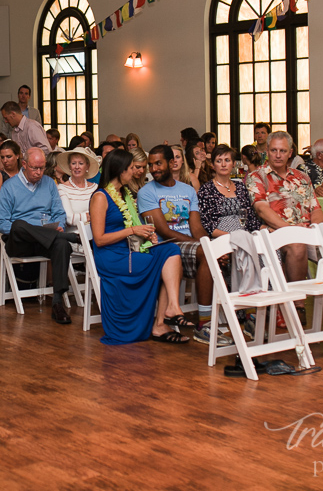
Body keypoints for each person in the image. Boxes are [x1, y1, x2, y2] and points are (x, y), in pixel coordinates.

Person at [90, 149, 188, 344]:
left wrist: (146, 236)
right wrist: (133, 231)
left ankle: (171, 310)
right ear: (120, 170)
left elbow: (132, 225)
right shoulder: (100, 197)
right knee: (160, 263)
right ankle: (161, 322)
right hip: (112, 256)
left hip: (129, 250)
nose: (135, 172)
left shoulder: (124, 193)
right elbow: (99, 239)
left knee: (170, 250)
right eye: (131, 168)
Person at [138, 144, 219, 341]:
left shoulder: (188, 190)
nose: (154, 169)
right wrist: (203, 248)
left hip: (189, 244)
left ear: (172, 163)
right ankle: (204, 323)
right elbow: (164, 231)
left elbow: (197, 227)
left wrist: (208, 245)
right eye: (151, 165)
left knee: (218, 253)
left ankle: (234, 315)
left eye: (159, 163)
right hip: (166, 246)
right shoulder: (147, 192)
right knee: (208, 254)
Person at [0, 148, 76, 323]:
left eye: (42, 168)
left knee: (62, 245)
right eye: (34, 168)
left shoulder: (49, 183)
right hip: (19, 243)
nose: (39, 172)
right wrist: (35, 231)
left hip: (45, 241)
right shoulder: (9, 186)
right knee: (19, 224)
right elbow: (1, 223)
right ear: (24, 164)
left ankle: (57, 303)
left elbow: (59, 213)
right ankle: (61, 236)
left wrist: (60, 226)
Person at [246, 131, 323, 284]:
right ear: (267, 151)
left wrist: (314, 228)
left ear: (290, 153)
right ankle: (297, 304)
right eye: (274, 150)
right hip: (275, 232)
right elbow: (262, 209)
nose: (278, 155)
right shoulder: (256, 177)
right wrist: (292, 230)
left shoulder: (302, 177)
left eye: (283, 151)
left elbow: (316, 209)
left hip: (305, 231)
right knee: (297, 245)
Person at [56, 147, 99, 228]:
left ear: (87, 166)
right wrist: (93, 215)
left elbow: (102, 213)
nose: (77, 167)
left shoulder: (95, 188)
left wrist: (79, 217)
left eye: (81, 163)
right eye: (73, 163)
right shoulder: (62, 188)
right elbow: (70, 219)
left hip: (95, 234)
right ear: (69, 166)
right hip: (74, 237)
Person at [0, 140, 21, 204]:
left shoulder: (25, 173)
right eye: (2, 157)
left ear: (17, 156)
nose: (5, 160)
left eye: (9, 157)